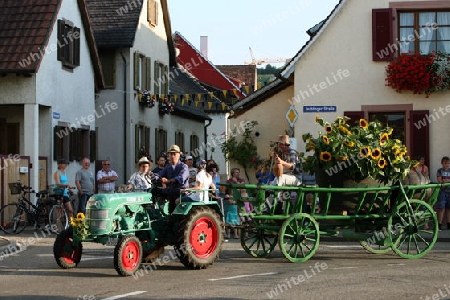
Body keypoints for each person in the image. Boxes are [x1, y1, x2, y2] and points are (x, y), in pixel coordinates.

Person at [153, 144, 189, 213]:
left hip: (181, 191)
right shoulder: (168, 167)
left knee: (172, 194)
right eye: (170, 154)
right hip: (170, 190)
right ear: (168, 156)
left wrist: (168, 181)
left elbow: (181, 179)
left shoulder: (184, 167)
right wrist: (153, 176)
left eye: (174, 154)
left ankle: (171, 216)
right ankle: (155, 212)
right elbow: (160, 173)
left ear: (179, 155)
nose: (172, 156)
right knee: (154, 191)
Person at [436, 156, 450, 230]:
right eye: (445, 163)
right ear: (442, 163)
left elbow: (444, 181)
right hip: (442, 192)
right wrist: (447, 180)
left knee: (449, 209)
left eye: (448, 163)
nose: (447, 165)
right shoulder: (439, 171)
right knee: (441, 208)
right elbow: (440, 181)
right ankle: (439, 224)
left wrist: (445, 180)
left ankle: (449, 224)